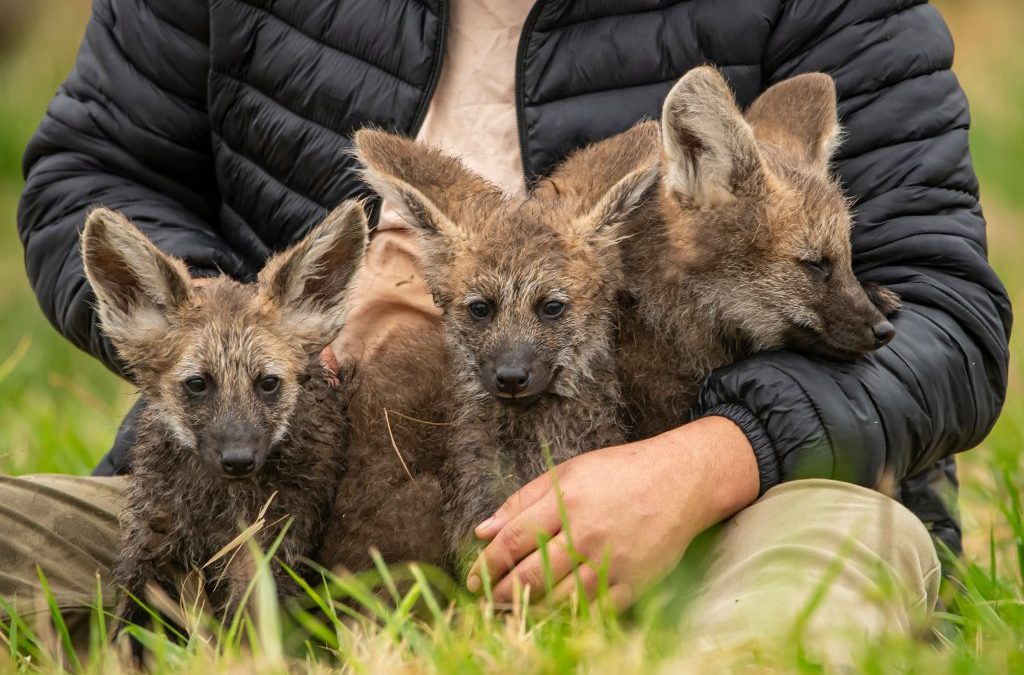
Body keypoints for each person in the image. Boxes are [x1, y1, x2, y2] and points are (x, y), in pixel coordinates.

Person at [3, 0, 1011, 660]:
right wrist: (264, 343)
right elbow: (91, 171)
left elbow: (948, 323)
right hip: (275, 492)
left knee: (801, 609)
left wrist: (708, 464)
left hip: (724, 506)